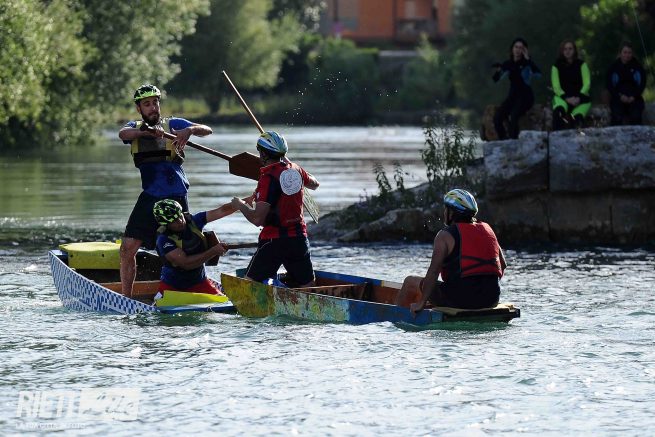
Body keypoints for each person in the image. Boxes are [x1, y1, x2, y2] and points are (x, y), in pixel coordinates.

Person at [118, 84, 213, 296]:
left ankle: (194, 287)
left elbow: (207, 129)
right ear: (139, 109)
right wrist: (145, 132)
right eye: (147, 104)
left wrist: (190, 130)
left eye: (155, 103)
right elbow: (123, 133)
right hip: (150, 195)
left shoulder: (173, 124)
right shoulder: (134, 127)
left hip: (176, 195)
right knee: (127, 248)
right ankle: (126, 298)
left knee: (186, 245)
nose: (153, 107)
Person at [230, 131, 320, 288]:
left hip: (274, 241)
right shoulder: (296, 170)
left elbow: (257, 219)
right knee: (308, 284)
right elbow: (314, 184)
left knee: (249, 285)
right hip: (299, 239)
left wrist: (240, 205)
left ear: (264, 154)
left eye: (259, 151)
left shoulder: (268, 178)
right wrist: (291, 165)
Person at [395, 189, 507, 313]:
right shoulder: (487, 230)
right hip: (491, 299)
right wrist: (484, 288)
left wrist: (421, 303)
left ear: (451, 213)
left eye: (446, 209)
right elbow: (502, 265)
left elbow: (433, 272)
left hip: (461, 301)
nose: (444, 212)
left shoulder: (444, 235)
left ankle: (397, 316)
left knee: (410, 281)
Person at [153, 199, 235, 294]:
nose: (180, 221)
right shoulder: (163, 240)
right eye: (174, 221)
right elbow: (186, 264)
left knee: (225, 303)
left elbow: (223, 210)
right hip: (172, 288)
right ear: (165, 224)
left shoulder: (195, 221)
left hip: (200, 284)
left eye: (180, 216)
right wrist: (213, 251)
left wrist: (243, 203)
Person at [492, 37, 542, 140]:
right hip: (513, 96)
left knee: (513, 116)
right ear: (512, 49)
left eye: (521, 48)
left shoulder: (527, 63)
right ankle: (503, 140)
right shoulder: (508, 64)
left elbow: (538, 75)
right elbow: (496, 79)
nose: (518, 50)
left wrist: (528, 60)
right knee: (497, 117)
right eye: (516, 47)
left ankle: (513, 142)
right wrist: (498, 71)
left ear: (524, 50)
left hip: (526, 97)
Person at [551, 40, 592, 130]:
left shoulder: (582, 65)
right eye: (565, 49)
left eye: (570, 49)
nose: (567, 51)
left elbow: (587, 83)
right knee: (558, 114)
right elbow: (556, 86)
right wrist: (567, 98)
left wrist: (579, 97)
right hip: (562, 98)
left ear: (574, 50)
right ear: (562, 51)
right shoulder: (556, 66)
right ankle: (556, 138)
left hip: (581, 99)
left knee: (577, 121)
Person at [606, 42, 646, 126]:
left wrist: (634, 96)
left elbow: (642, 84)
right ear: (620, 53)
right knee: (617, 116)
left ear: (632, 54)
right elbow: (609, 85)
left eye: (629, 52)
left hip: (635, 98)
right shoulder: (613, 67)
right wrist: (620, 96)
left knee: (636, 116)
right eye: (625, 52)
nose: (627, 55)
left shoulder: (638, 67)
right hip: (618, 98)